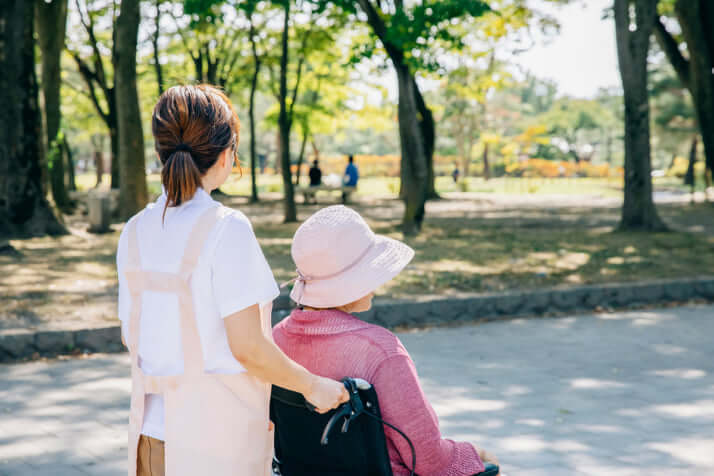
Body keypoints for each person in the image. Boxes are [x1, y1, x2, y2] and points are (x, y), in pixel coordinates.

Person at [116, 85, 348, 476]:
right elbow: (248, 348)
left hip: (150, 441)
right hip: (214, 447)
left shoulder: (135, 231)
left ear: (160, 152)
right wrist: (313, 386)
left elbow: (132, 336)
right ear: (227, 154)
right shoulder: (226, 229)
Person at [273, 205, 499, 476]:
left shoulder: (275, 340)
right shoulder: (380, 351)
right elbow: (429, 460)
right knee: (486, 461)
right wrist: (473, 455)